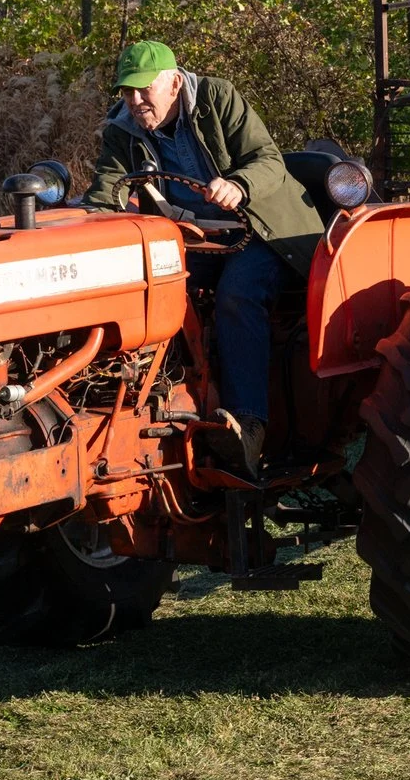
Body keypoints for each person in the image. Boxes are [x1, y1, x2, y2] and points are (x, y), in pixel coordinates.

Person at [86, 41, 325, 480]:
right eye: (126, 92)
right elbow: (106, 190)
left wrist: (239, 184)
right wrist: (82, 220)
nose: (135, 102)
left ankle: (249, 424)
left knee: (238, 293)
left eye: (143, 91)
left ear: (174, 82)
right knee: (149, 298)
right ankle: (167, 406)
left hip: (257, 229)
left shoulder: (216, 98)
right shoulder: (123, 129)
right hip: (188, 240)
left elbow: (268, 161)